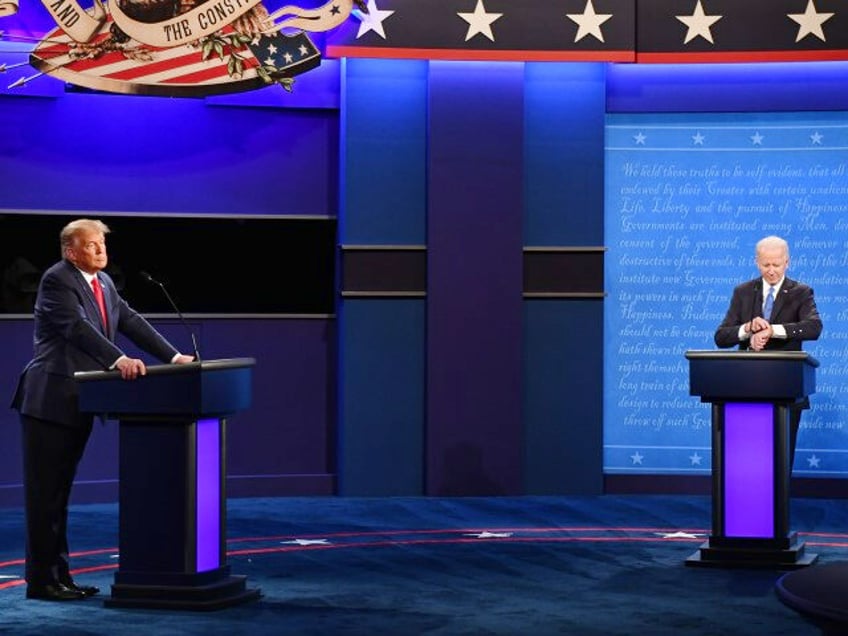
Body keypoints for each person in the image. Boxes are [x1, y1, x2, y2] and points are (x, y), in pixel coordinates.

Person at [10, 219, 195, 602]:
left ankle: (60, 576)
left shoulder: (105, 284)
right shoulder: (56, 280)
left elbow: (130, 321)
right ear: (70, 250)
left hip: (81, 401)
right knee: (45, 497)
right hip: (49, 400)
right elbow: (77, 328)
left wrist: (173, 356)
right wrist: (118, 360)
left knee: (60, 495)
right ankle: (42, 582)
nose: (100, 251)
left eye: (102, 244)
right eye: (91, 245)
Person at [714, 235, 823, 466]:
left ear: (787, 262)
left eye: (776, 264)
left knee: (781, 457)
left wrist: (771, 330)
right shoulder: (743, 292)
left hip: (787, 386)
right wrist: (747, 330)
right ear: (757, 262)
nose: (771, 270)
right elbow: (721, 337)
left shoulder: (801, 292)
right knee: (748, 457)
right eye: (766, 265)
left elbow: (814, 328)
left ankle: (779, 502)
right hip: (746, 386)